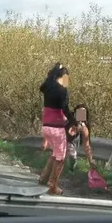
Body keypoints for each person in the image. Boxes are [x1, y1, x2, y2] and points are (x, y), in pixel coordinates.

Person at [37, 62, 75, 195]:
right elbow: (65, 109)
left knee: (55, 154)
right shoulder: (62, 90)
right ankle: (53, 186)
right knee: (61, 158)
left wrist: (54, 70)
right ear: (64, 76)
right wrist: (74, 121)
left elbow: (44, 84)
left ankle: (43, 178)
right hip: (57, 128)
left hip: (46, 127)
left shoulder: (47, 87)